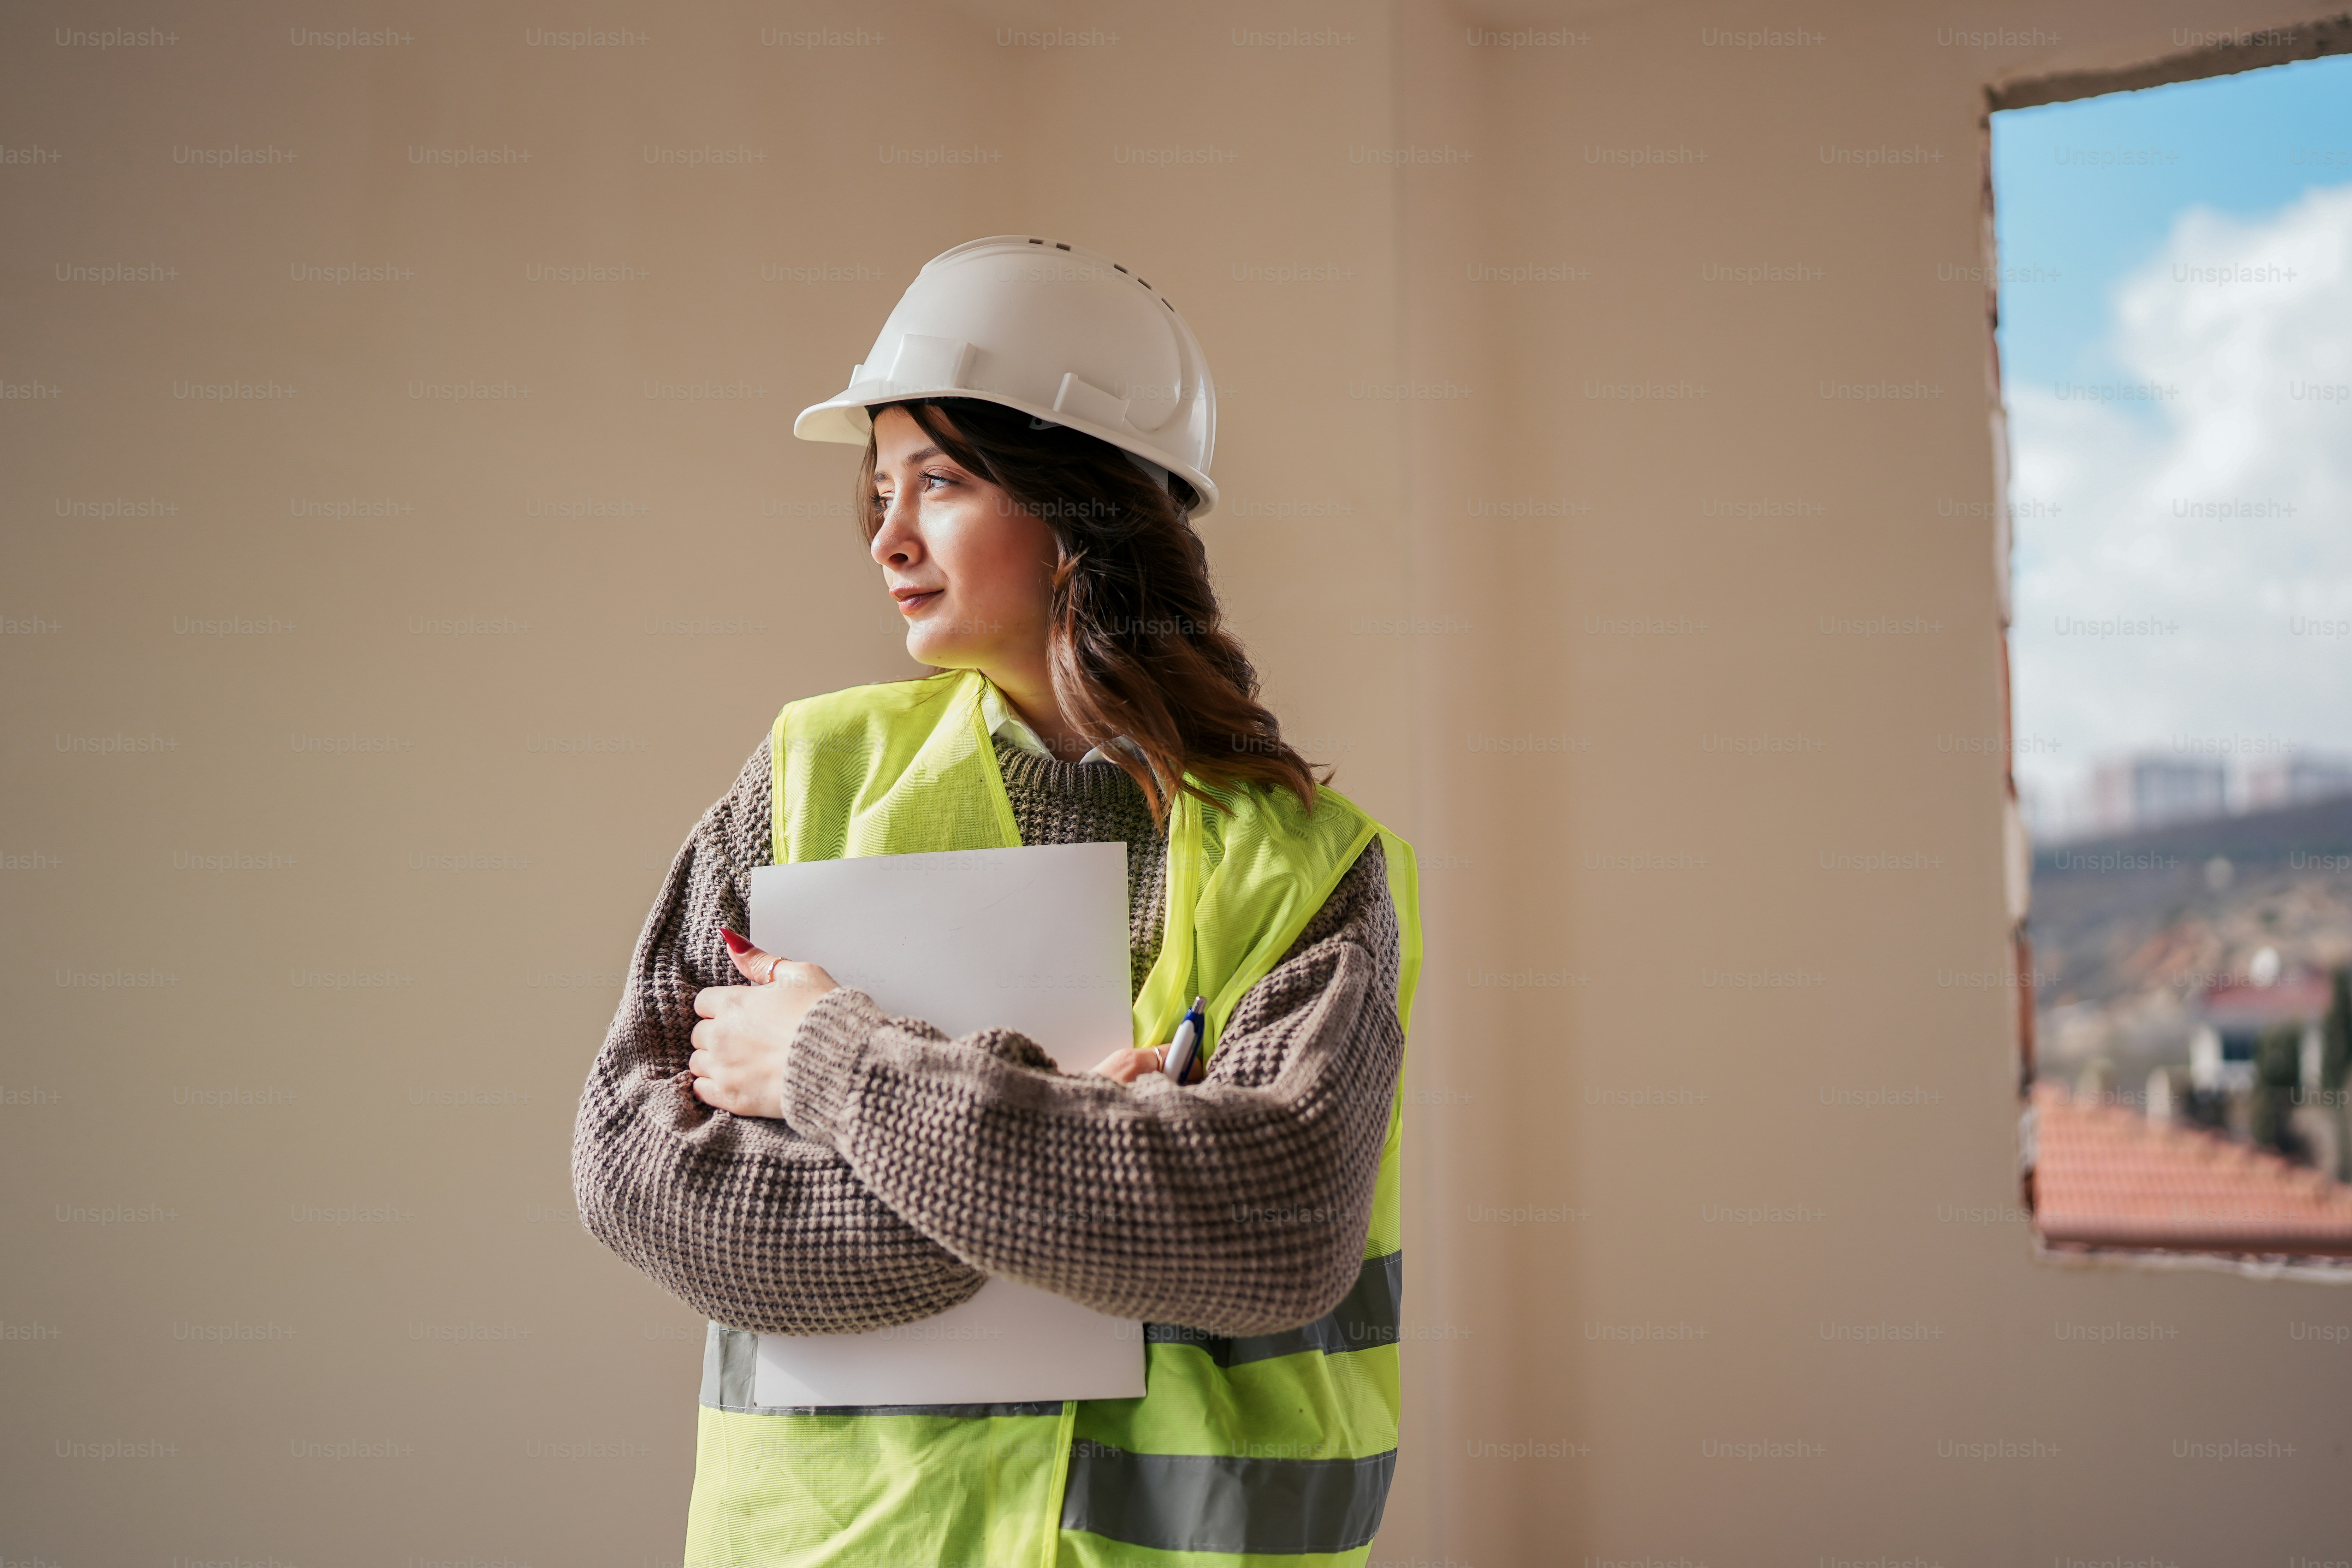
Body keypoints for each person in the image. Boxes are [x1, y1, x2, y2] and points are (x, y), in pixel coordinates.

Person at [569, 236, 1423, 1568]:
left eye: (943, 480)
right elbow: (639, 1176)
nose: (887, 535)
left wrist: (825, 1062)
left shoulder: (1309, 862)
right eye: (879, 487)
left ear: (1086, 512)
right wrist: (1084, 1175)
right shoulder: (806, 780)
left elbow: (1272, 1232)